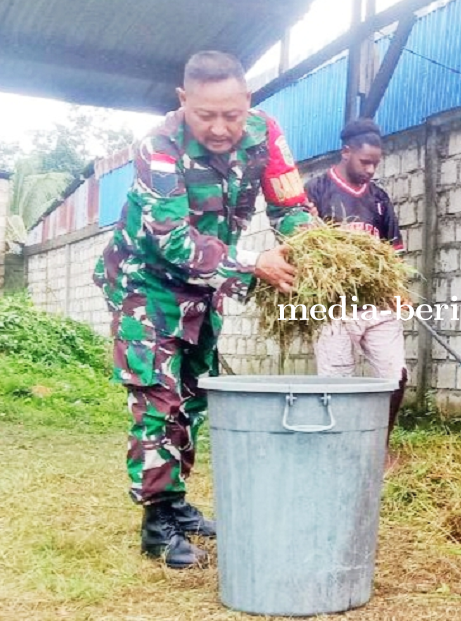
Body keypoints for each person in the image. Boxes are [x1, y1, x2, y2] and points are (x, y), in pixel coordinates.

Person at [93, 51, 314, 568]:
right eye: (206, 115)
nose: (220, 128)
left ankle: (175, 502)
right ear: (183, 101)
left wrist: (310, 249)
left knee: (192, 395)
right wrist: (252, 265)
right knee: (157, 396)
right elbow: (171, 241)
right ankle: (156, 522)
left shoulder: (265, 134)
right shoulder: (159, 149)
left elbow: (290, 206)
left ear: (248, 103)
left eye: (231, 115)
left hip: (205, 286)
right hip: (145, 284)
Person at [305, 118, 408, 461]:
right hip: (333, 306)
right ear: (345, 151)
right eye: (365, 162)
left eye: (376, 163)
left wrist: (398, 289)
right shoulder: (316, 191)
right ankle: (340, 448)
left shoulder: (379, 198)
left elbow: (394, 251)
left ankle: (380, 447)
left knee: (395, 377)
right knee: (336, 385)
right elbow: (301, 242)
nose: (371, 169)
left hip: (377, 303)